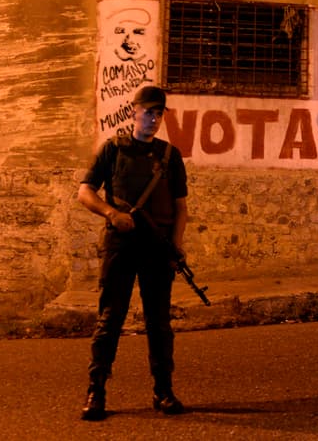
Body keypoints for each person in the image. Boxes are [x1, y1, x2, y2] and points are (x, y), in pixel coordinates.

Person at [76, 85, 189, 422]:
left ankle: (163, 390)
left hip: (157, 249)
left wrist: (178, 245)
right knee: (110, 319)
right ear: (133, 112)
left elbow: (181, 208)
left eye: (159, 113)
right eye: (148, 112)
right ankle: (96, 390)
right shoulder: (112, 150)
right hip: (120, 246)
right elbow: (85, 192)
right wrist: (111, 214)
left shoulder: (170, 156)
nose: (153, 119)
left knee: (159, 323)